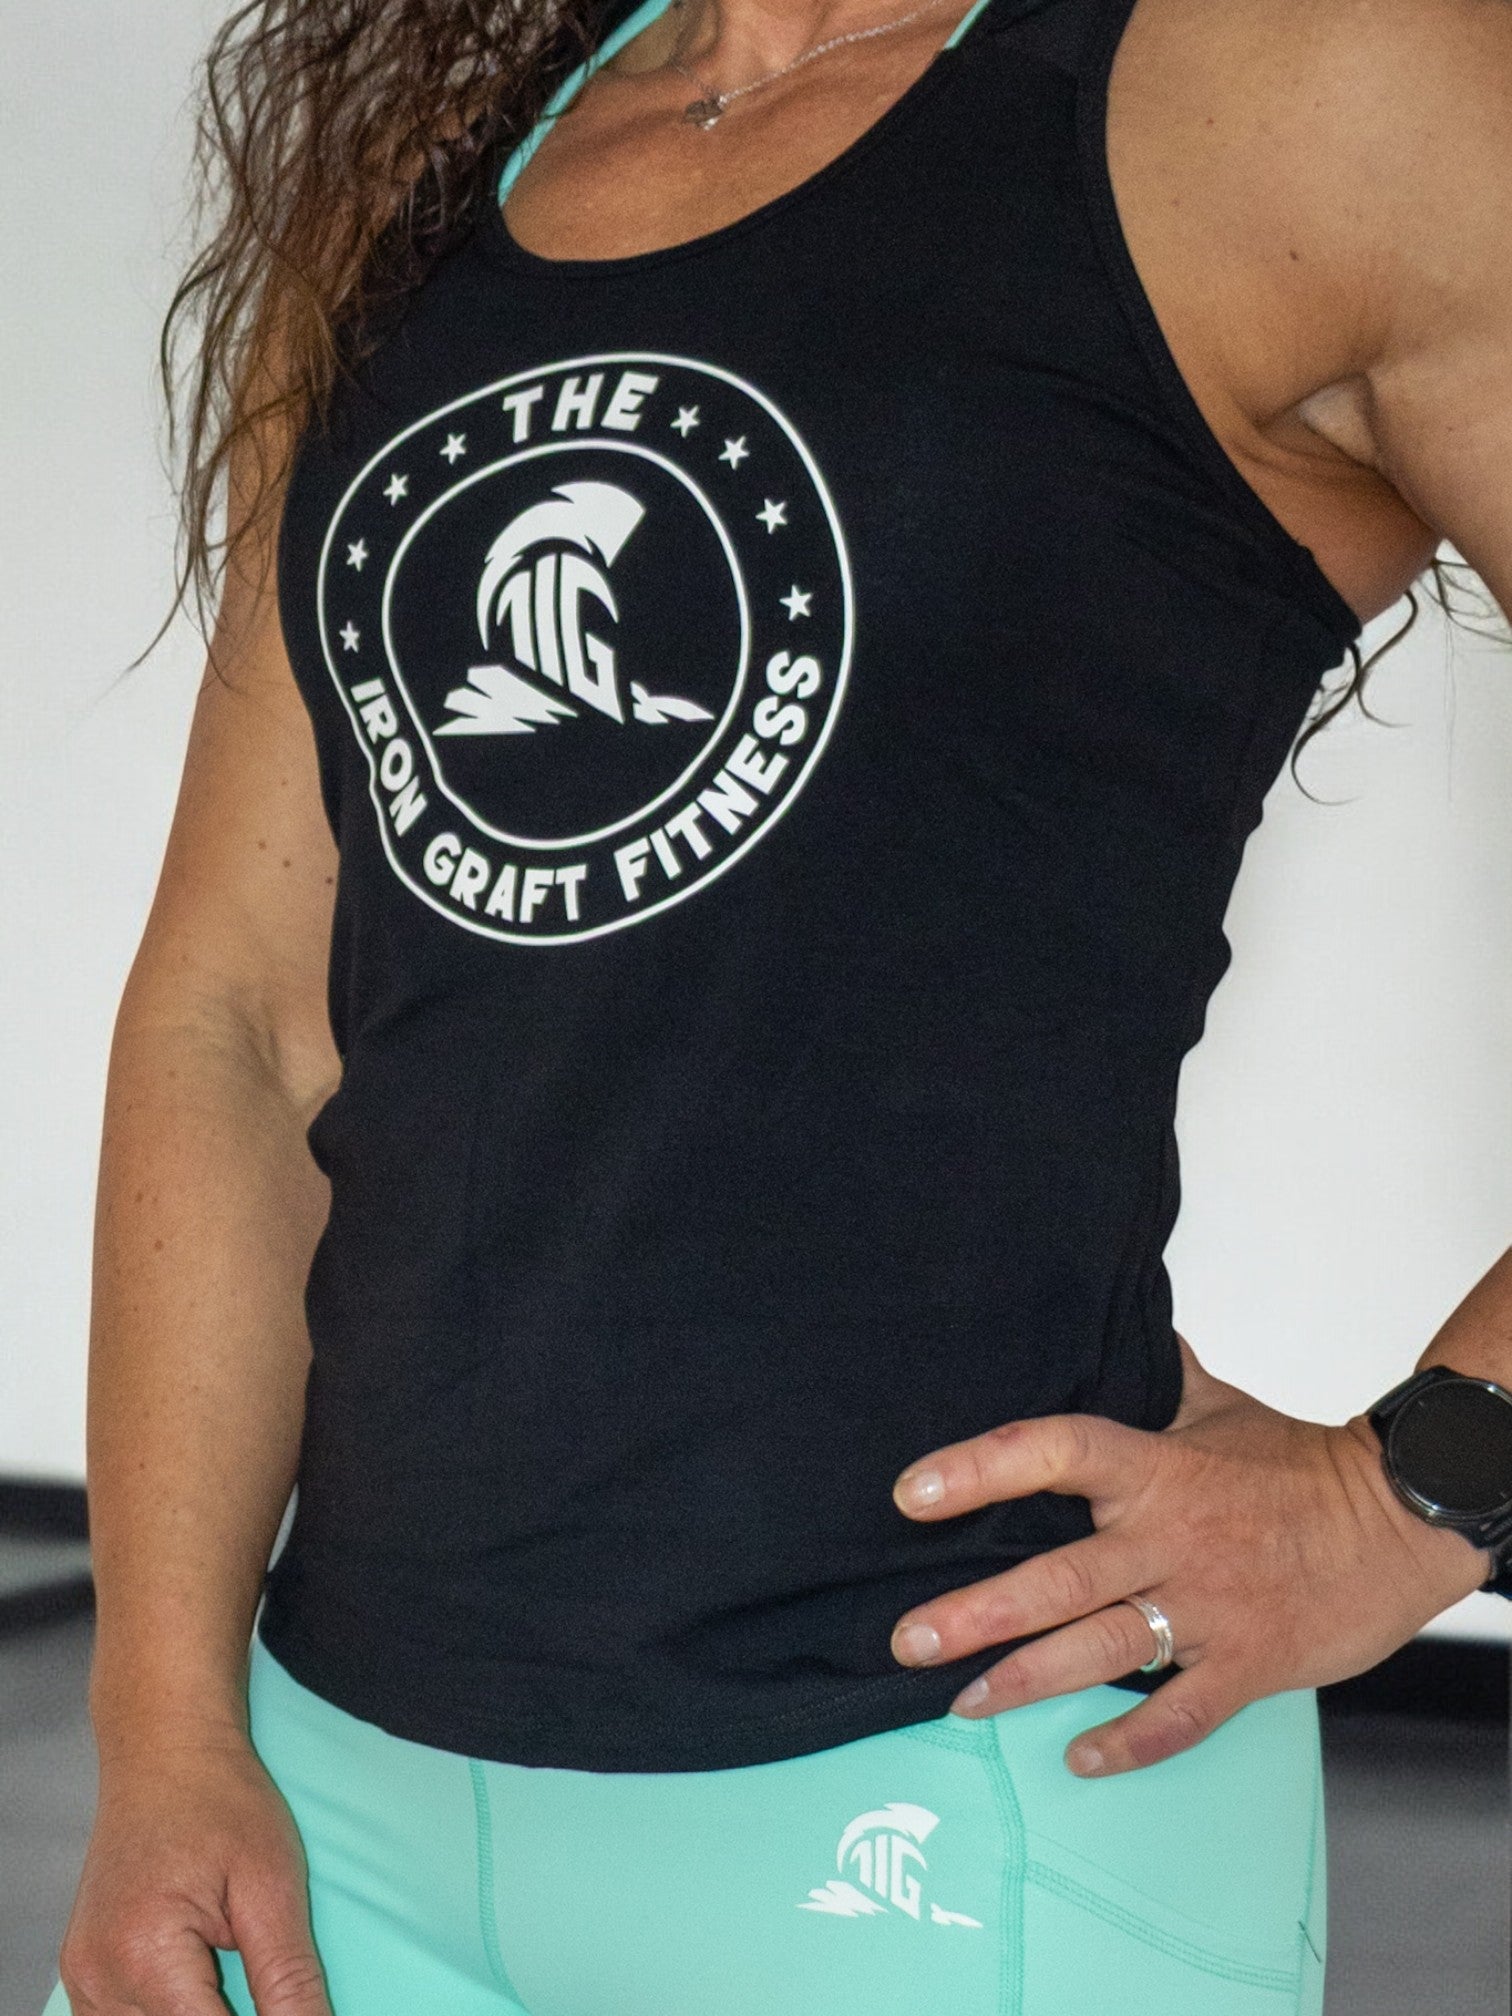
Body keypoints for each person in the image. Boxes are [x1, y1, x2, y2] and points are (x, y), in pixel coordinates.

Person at [40, 0, 1512, 2009]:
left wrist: (1414, 1493)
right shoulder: (440, 168)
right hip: (315, 1803)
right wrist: (160, 1723)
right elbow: (240, 1021)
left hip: (946, 1803)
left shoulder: (1308, 80)